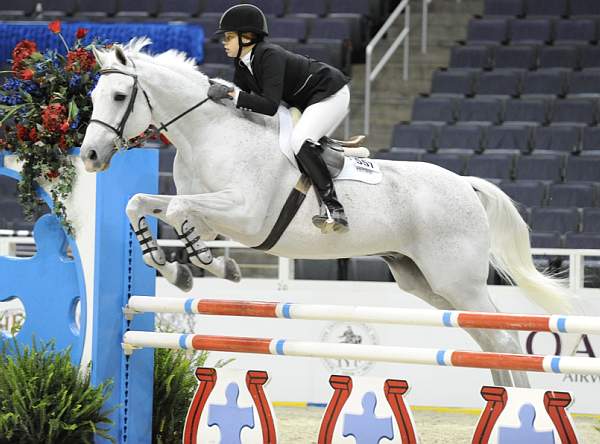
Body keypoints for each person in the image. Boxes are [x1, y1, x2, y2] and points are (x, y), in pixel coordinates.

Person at [208, 3, 351, 233]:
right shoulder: (242, 64)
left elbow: (269, 106)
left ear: (248, 37)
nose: (224, 42)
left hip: (329, 93)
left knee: (300, 141)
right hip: (304, 101)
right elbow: (244, 100)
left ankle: (334, 208)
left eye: (229, 37)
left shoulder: (268, 54)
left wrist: (231, 94)